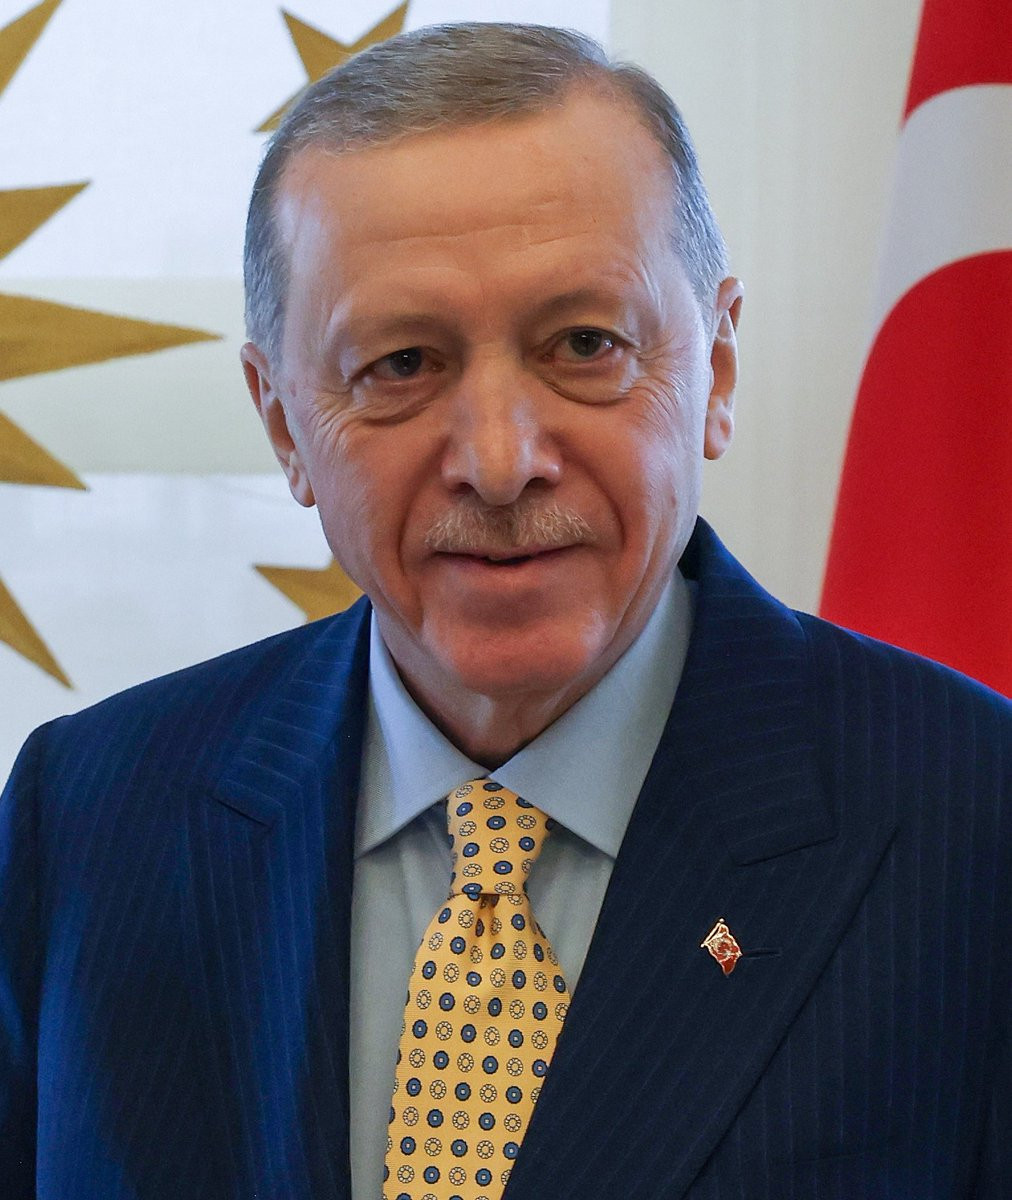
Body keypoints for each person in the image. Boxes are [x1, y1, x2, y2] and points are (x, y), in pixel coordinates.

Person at [1, 21, 1009, 1200]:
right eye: (401, 364)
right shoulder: (89, 817)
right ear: (282, 424)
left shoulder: (973, 819)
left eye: (584, 344)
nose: (497, 461)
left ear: (717, 369)